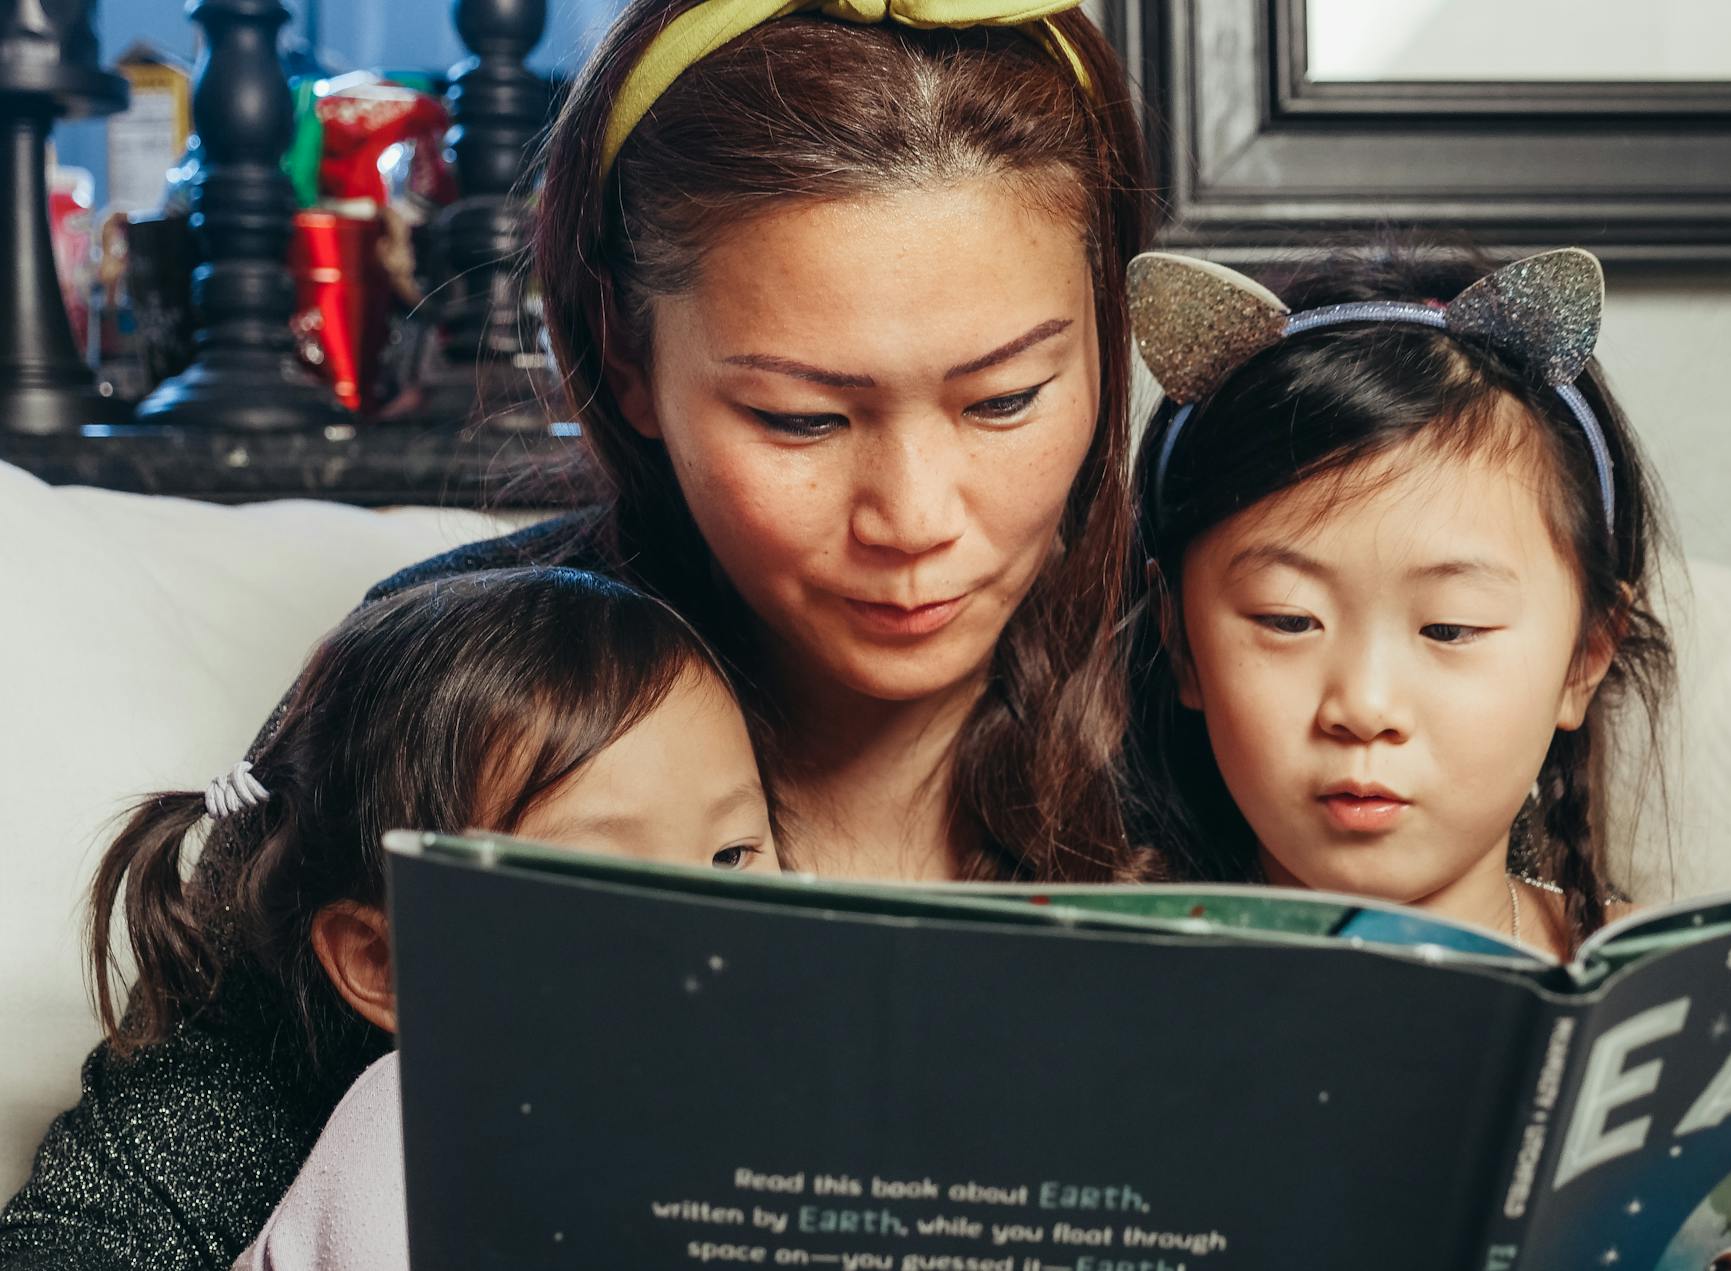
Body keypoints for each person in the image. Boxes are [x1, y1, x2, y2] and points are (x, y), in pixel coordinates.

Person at [3, 5, 1156, 1266]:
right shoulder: (477, 690)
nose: (916, 520)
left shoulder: (1238, 672)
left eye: (1004, 398)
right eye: (798, 418)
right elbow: (99, 1237)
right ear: (620, 354)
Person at [1, 568, 776, 1269]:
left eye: (732, 855)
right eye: (606, 882)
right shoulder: (409, 1143)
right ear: (385, 963)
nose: (702, 930)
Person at [1128, 243, 1676, 959]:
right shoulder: (1112, 985)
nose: (1365, 707)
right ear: (1181, 642)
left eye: (1450, 627)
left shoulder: (1671, 979)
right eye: (1288, 619)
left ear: (1584, 658)